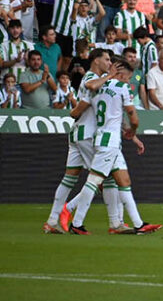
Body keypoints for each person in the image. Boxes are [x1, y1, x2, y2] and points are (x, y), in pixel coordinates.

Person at [66, 59, 162, 235]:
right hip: (108, 142)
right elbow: (133, 116)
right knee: (94, 181)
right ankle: (76, 223)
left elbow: (85, 98)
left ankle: (137, 224)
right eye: (128, 77)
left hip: (104, 139)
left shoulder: (96, 87)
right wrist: (133, 131)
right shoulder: (122, 88)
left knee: (124, 182)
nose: (129, 81)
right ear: (121, 74)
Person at [42, 49, 122, 234]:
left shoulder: (98, 78)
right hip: (87, 134)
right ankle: (114, 223)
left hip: (77, 133)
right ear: (96, 60)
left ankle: (52, 220)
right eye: (107, 59)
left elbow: (78, 110)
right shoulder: (92, 76)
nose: (110, 63)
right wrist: (109, 76)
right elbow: (91, 86)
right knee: (105, 178)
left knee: (69, 179)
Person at [48, 0, 82, 71]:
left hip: (71, 33)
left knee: (68, 59)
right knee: (58, 58)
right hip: (57, 30)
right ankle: (55, 80)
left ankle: (63, 80)